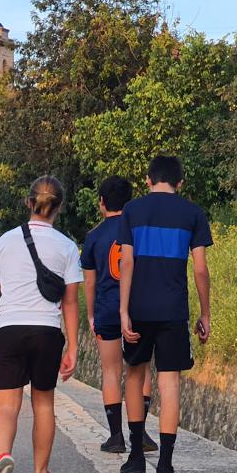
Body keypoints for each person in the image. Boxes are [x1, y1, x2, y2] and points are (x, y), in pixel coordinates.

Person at [0, 176, 83, 473]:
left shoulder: (5, 242)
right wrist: (73, 347)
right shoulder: (66, 246)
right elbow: (70, 302)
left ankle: (1, 458)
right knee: (43, 403)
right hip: (46, 331)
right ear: (59, 208)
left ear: (28, 202)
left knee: (7, 404)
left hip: (8, 328)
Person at [118, 156, 212, 473]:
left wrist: (124, 310)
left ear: (148, 179)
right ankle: (166, 468)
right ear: (180, 183)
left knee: (134, 374)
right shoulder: (193, 214)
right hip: (173, 311)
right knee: (169, 383)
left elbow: (126, 262)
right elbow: (200, 269)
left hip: (139, 307)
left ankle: (136, 459)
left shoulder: (132, 211)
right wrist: (205, 313)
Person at [79, 177, 158, 455]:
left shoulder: (93, 237)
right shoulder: (139, 231)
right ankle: (141, 431)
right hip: (138, 310)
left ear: (101, 201)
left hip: (107, 309)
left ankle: (115, 436)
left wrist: (90, 314)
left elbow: (89, 282)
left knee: (110, 371)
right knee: (141, 369)